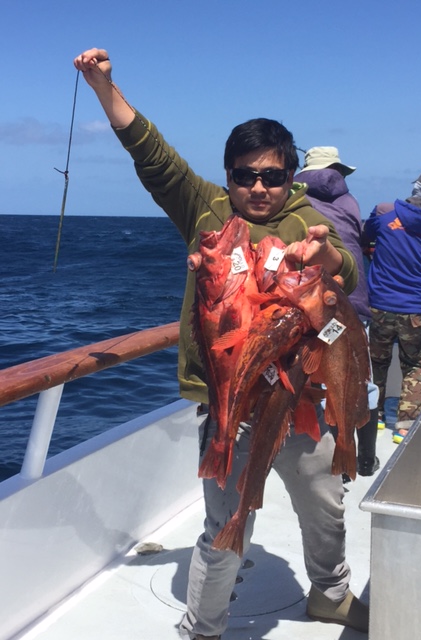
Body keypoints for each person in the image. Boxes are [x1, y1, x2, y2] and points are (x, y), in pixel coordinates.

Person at [73, 48, 369, 639]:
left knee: (326, 506)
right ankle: (203, 627)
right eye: (245, 175)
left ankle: (330, 593)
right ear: (228, 173)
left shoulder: (310, 220)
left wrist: (327, 258)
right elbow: (152, 156)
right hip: (231, 407)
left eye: (273, 176)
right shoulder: (206, 210)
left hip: (301, 401)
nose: (258, 188)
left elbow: (350, 271)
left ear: (291, 176)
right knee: (224, 524)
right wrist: (104, 86)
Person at [295, 147, 380, 476]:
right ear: (337, 172)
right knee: (360, 378)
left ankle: (332, 458)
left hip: (315, 309)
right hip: (353, 305)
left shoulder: (292, 203)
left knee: (321, 379)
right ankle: (365, 459)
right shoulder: (350, 202)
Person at [362, 168, 421, 442]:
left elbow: (366, 239)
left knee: (375, 362)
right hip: (416, 309)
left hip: (379, 305)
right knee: (415, 367)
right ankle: (403, 427)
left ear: (417, 186)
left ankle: (373, 418)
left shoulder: (384, 211)